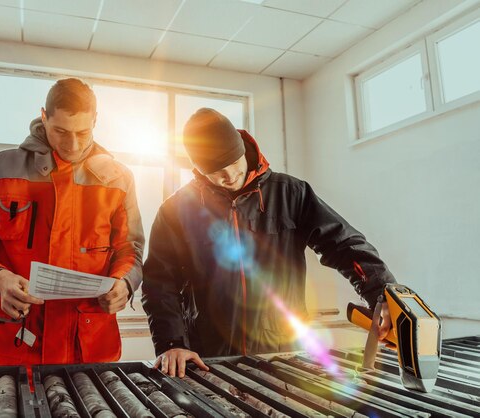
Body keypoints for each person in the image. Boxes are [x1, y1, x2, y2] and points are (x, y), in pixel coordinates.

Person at [142, 108, 396, 377]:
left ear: (244, 149)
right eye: (215, 171)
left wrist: (384, 295)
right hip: (209, 358)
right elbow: (159, 283)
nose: (228, 175)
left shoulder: (291, 193)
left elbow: (344, 244)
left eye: (233, 162)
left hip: (284, 353)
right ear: (198, 170)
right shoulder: (176, 210)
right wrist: (172, 344)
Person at [0, 78, 144, 367]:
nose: (73, 144)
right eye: (60, 131)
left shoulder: (119, 179)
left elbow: (129, 249)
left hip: (88, 347)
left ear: (96, 120)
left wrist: (125, 284)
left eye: (83, 132)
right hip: (14, 343)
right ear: (43, 116)